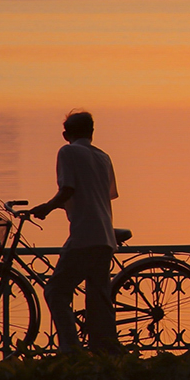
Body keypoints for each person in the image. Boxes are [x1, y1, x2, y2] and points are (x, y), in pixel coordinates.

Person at [29, 110, 122, 355]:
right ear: (91, 132)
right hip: (105, 236)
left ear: (65, 134)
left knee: (55, 291)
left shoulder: (68, 152)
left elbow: (68, 188)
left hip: (84, 236)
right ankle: (105, 350)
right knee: (98, 298)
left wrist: (47, 208)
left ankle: (71, 348)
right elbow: (107, 194)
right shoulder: (103, 157)